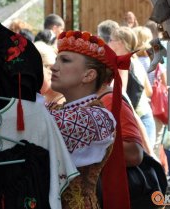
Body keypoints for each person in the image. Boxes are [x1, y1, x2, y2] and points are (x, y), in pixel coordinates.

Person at [47, 30, 134, 209]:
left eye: (65, 60)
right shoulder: (58, 108)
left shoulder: (97, 117)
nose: (54, 67)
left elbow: (41, 126)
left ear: (89, 75)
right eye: (56, 59)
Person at [109, 26, 156, 149]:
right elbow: (149, 91)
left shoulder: (122, 64)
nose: (108, 43)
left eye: (111, 40)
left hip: (135, 120)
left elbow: (120, 95)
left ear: (121, 42)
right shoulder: (136, 61)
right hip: (145, 115)